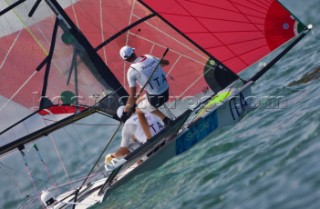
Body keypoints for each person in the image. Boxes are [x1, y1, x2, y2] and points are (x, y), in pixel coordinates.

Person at [119, 45, 173, 140]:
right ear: (134, 51)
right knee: (139, 100)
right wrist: (153, 65)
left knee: (138, 111)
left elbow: (131, 97)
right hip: (166, 92)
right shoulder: (149, 57)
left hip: (156, 98)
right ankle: (166, 120)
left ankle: (150, 137)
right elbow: (166, 63)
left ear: (125, 60)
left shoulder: (132, 71)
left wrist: (125, 112)